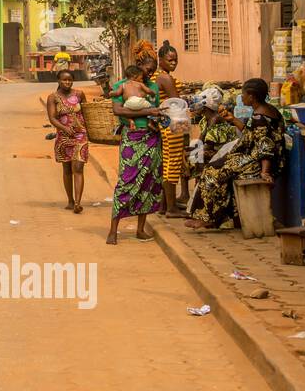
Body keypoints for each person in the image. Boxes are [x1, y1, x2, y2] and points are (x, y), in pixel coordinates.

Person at [186, 78, 287, 231]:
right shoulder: (266, 110)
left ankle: (207, 217)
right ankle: (217, 217)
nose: (241, 97)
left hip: (260, 162)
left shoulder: (260, 117)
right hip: (255, 157)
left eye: (244, 94)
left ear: (252, 96)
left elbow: (266, 147)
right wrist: (233, 120)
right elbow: (251, 134)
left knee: (212, 172)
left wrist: (265, 172)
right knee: (217, 166)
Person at [107, 40, 164, 245]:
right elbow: (118, 110)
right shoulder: (120, 86)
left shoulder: (153, 87)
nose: (151, 73)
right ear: (139, 67)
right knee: (126, 181)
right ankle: (113, 230)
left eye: (154, 70)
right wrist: (149, 111)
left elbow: (157, 111)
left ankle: (140, 229)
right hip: (131, 138)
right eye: (149, 69)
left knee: (149, 183)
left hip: (151, 138)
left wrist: (158, 118)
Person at [155, 41, 190, 219]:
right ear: (160, 59)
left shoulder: (157, 76)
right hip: (173, 123)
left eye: (175, 60)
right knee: (173, 164)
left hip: (165, 123)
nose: (174, 63)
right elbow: (178, 103)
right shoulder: (165, 78)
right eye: (170, 60)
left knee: (168, 163)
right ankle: (171, 209)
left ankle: (165, 206)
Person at [46, 69, 88, 213]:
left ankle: (77, 203)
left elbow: (87, 112)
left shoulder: (79, 95)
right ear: (58, 81)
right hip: (63, 137)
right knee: (67, 169)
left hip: (80, 135)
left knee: (78, 167)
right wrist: (64, 128)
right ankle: (70, 200)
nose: (67, 82)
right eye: (64, 80)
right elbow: (52, 118)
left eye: (70, 80)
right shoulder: (53, 97)